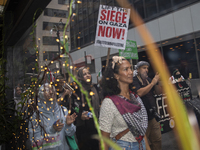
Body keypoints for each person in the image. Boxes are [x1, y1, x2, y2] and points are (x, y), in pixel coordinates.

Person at [99, 56, 148, 150]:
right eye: (126, 69)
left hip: (141, 145)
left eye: (131, 68)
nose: (131, 72)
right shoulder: (109, 102)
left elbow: (141, 130)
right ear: (116, 75)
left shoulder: (135, 98)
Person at [28, 83, 77, 150]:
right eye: (47, 90)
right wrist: (52, 130)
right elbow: (35, 143)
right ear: (41, 94)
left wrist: (68, 126)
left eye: (52, 90)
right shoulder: (36, 116)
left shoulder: (63, 110)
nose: (51, 92)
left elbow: (70, 134)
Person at [133, 61, 162, 150]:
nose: (146, 70)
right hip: (142, 119)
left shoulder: (149, 80)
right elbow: (139, 93)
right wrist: (153, 82)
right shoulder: (134, 80)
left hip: (153, 116)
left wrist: (157, 82)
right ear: (138, 70)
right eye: (143, 68)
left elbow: (158, 92)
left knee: (157, 139)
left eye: (147, 68)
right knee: (145, 144)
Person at [73, 67, 101, 150]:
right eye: (84, 74)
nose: (88, 75)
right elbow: (73, 107)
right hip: (83, 128)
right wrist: (79, 116)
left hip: (96, 125)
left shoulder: (95, 87)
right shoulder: (77, 91)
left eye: (88, 73)